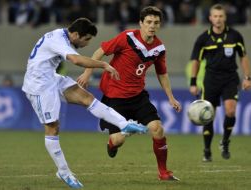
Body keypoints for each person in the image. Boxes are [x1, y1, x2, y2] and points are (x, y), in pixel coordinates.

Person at [22, 18, 148, 188]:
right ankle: (64, 172)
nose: (87, 43)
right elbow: (77, 60)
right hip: (39, 85)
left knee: (87, 98)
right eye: (86, 39)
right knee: (52, 127)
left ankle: (124, 124)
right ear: (75, 34)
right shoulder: (59, 39)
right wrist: (104, 64)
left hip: (50, 77)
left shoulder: (62, 35)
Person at [78, 7, 182, 181]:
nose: (152, 26)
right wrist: (88, 73)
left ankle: (163, 172)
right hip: (115, 97)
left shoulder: (159, 48)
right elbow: (100, 51)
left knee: (157, 129)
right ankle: (113, 143)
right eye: (148, 22)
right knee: (118, 140)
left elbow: (162, 73)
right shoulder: (127, 37)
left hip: (138, 96)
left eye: (156, 23)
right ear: (141, 23)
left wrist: (170, 97)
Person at [189, 4, 251, 162]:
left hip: (230, 79)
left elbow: (243, 57)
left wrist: (247, 77)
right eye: (215, 16)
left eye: (220, 16)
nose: (218, 19)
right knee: (208, 116)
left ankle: (225, 142)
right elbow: (195, 61)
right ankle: (207, 150)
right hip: (210, 80)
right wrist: (193, 82)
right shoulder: (203, 38)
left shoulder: (235, 36)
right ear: (210, 18)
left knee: (230, 111)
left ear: (225, 17)